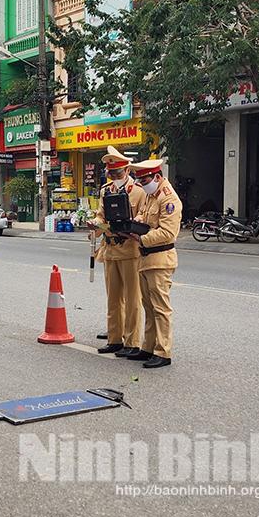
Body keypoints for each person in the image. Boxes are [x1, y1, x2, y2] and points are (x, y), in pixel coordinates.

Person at [87, 146, 146, 357]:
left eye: (117, 173)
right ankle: (115, 339)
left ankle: (132, 342)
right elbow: (102, 215)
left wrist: (134, 223)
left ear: (127, 171)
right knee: (113, 298)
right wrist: (95, 223)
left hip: (130, 250)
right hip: (110, 249)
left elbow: (143, 217)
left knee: (132, 299)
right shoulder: (106, 191)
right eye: (110, 173)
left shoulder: (139, 191)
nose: (113, 176)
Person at [126, 158, 182, 369]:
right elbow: (143, 216)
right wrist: (136, 224)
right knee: (148, 306)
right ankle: (148, 347)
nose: (142, 183)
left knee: (161, 308)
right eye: (140, 180)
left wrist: (141, 237)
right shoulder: (152, 195)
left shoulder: (169, 199)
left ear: (157, 177)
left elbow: (168, 233)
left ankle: (163, 352)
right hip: (146, 258)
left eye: (145, 179)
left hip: (160, 259)